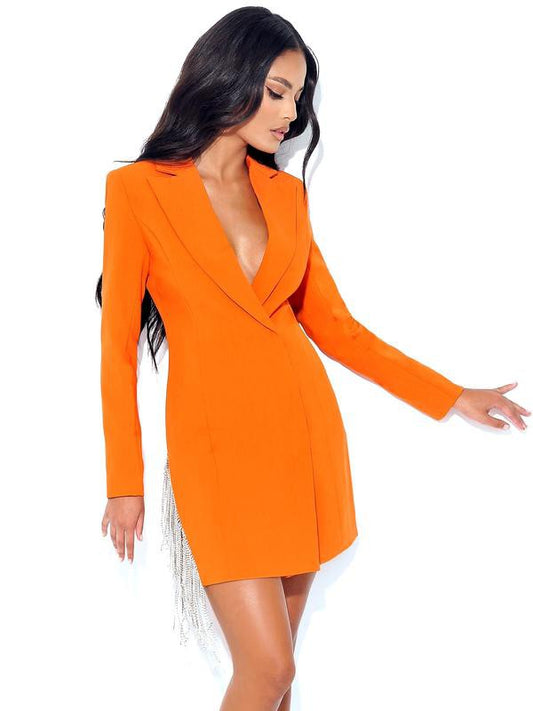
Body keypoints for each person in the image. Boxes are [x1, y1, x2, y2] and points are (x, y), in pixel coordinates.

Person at [95, 7, 530, 709]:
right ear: (227, 76)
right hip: (214, 452)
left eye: (298, 97)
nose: (291, 113)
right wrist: (125, 481)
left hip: (300, 439)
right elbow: (116, 349)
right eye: (277, 91)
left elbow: (337, 329)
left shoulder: (286, 194)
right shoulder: (138, 190)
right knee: (267, 669)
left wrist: (451, 394)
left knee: (280, 678)